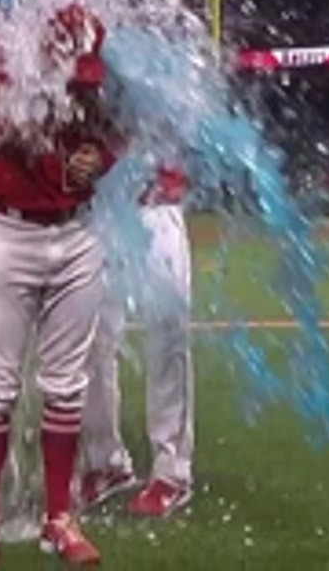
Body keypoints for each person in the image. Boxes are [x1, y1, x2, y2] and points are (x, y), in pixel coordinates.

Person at [0, 4, 118, 569]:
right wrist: (6, 119)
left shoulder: (95, 87)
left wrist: (100, 158)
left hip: (78, 236)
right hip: (11, 235)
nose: (81, 82)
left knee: (67, 385)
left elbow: (116, 135)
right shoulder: (0, 70)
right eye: (72, 68)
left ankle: (58, 518)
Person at [80, 166, 195, 517]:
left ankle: (172, 471)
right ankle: (106, 462)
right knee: (90, 338)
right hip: (99, 208)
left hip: (159, 206)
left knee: (167, 337)